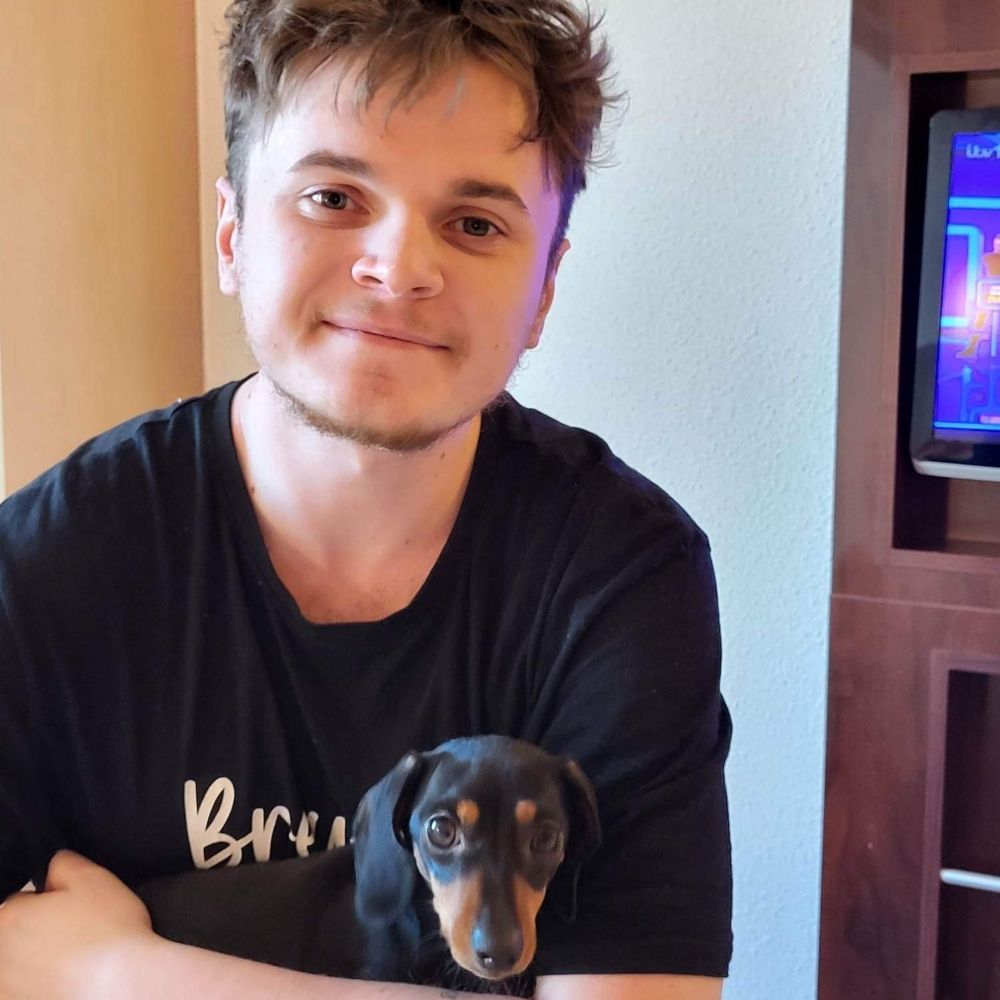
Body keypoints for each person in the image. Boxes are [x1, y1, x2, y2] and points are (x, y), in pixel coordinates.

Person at [0, 1, 733, 997]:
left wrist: (116, 975)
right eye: (333, 197)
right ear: (232, 232)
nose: (400, 271)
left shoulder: (617, 572)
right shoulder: (54, 561)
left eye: (474, 224)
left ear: (545, 287)